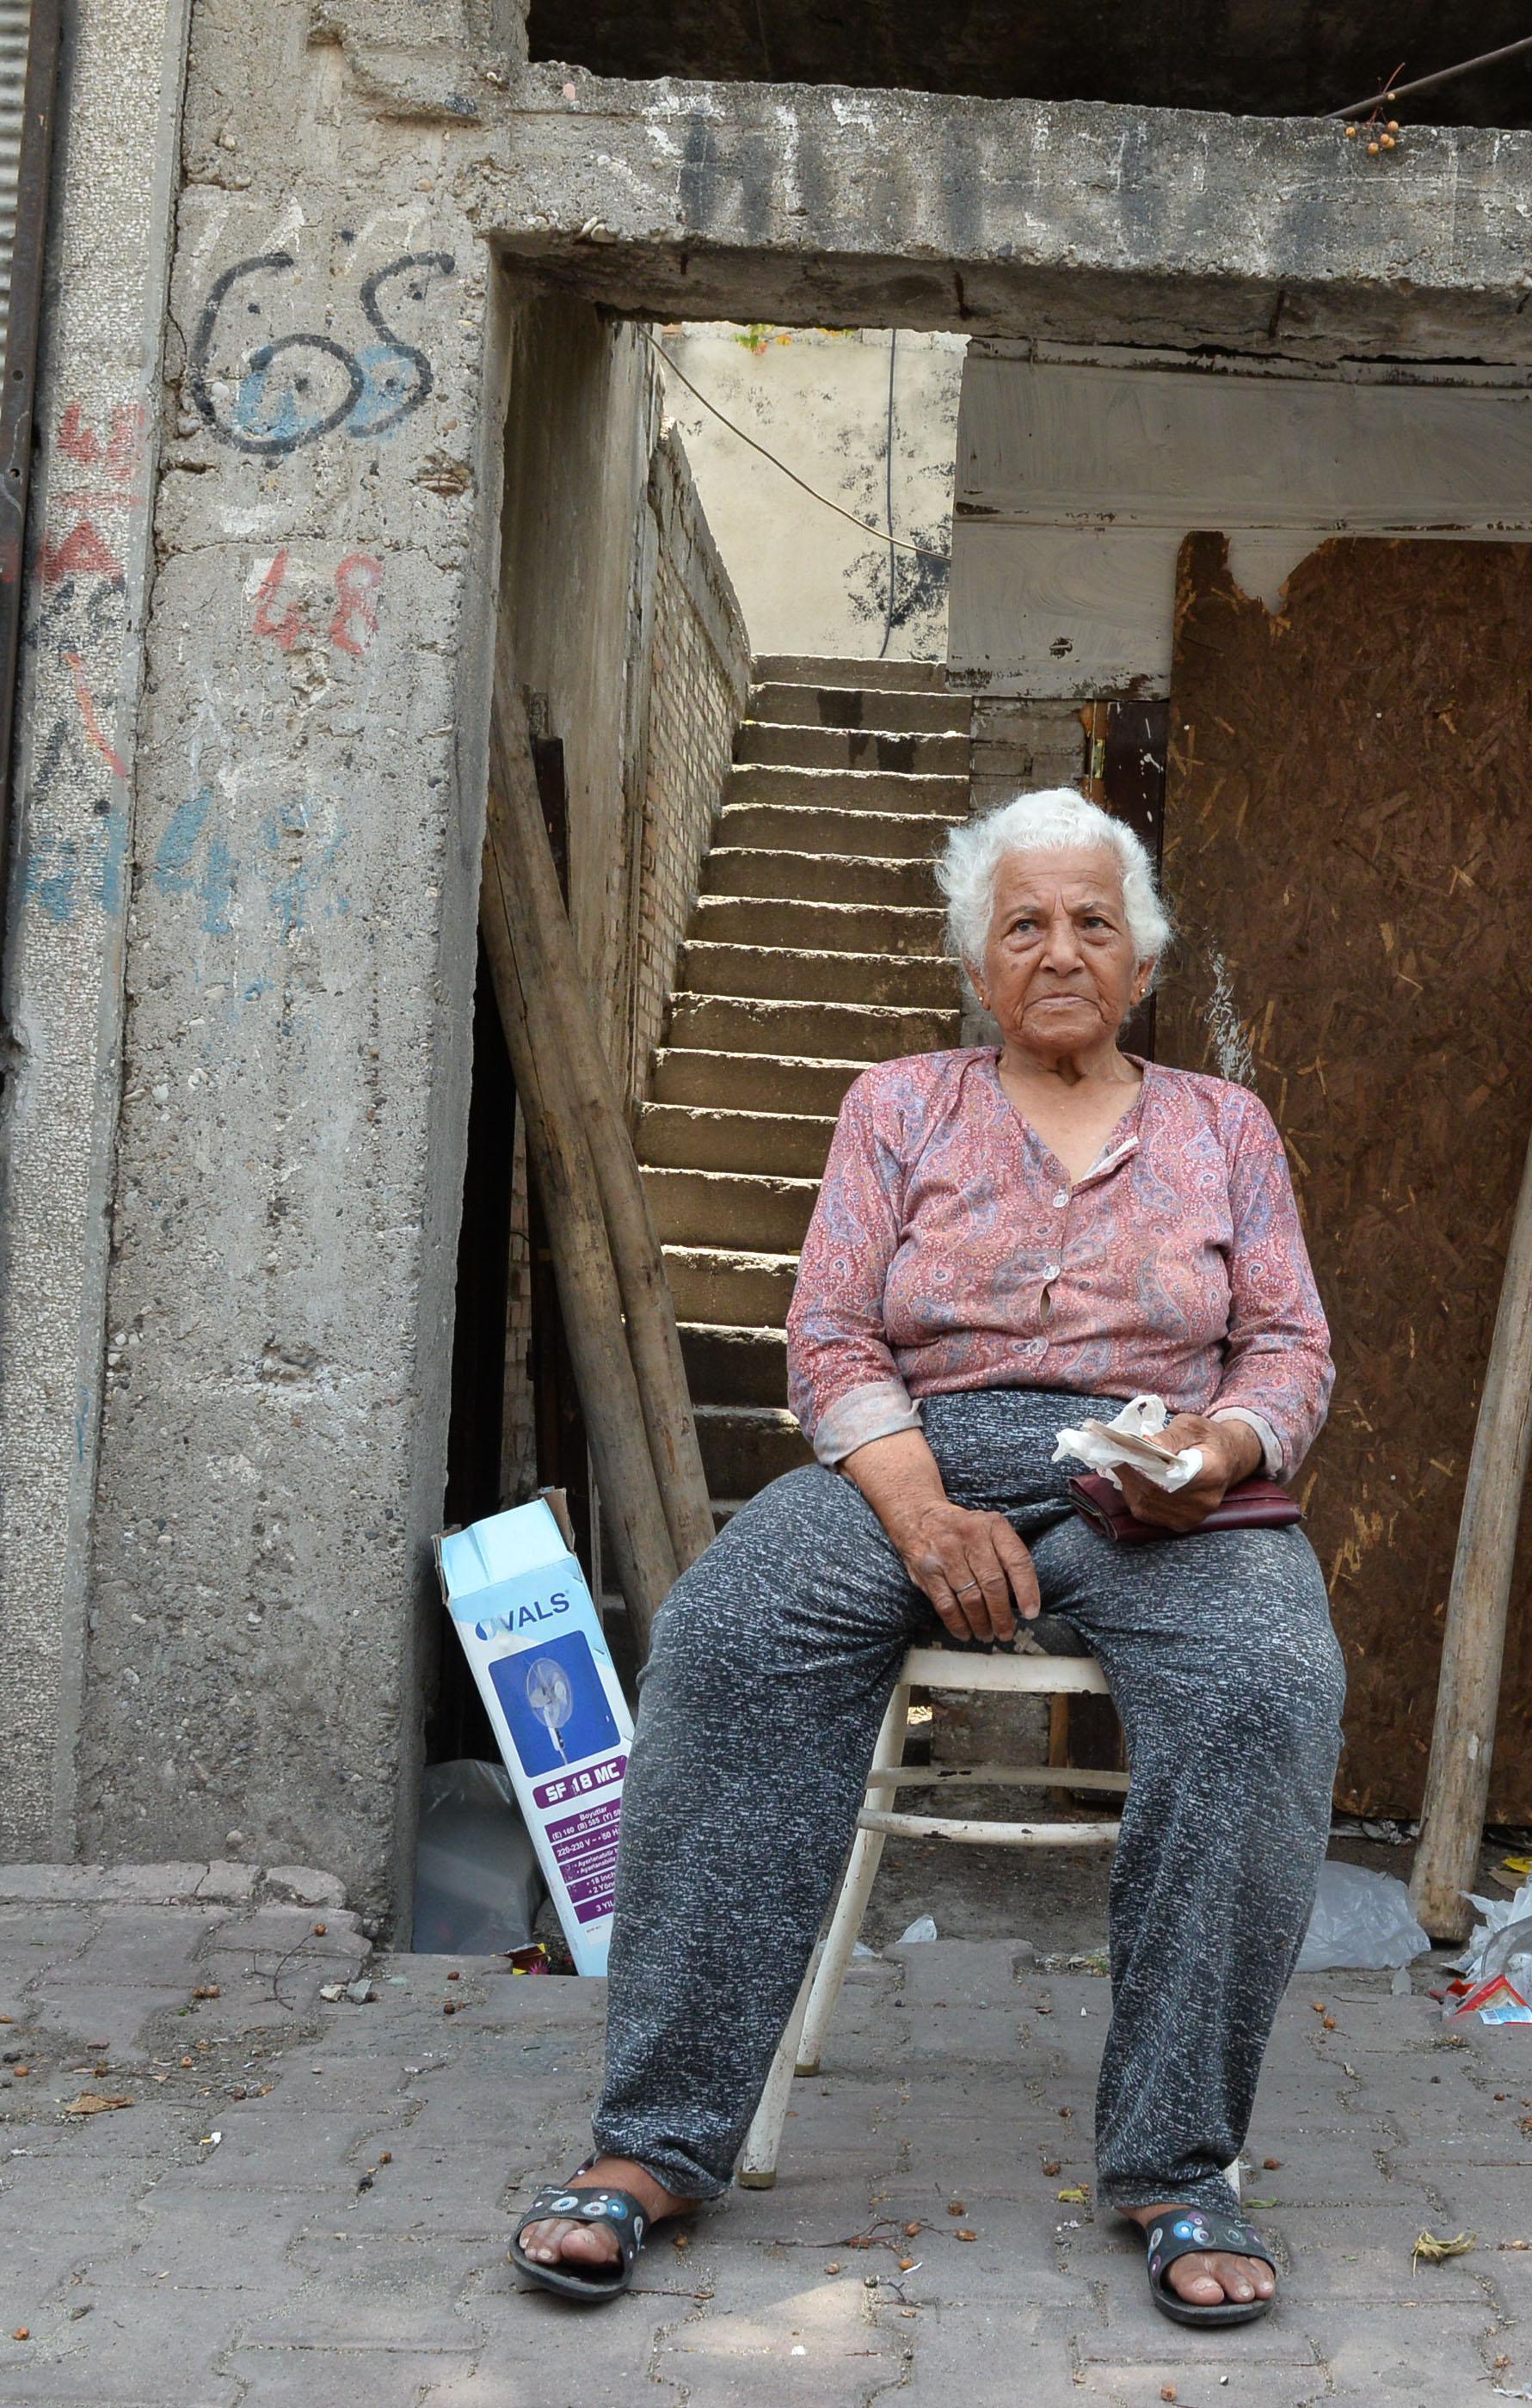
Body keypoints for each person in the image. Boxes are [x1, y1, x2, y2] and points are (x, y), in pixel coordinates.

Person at [510, 787, 1343, 2326]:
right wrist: (913, 1508)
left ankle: (1174, 2166)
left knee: (1267, 1682)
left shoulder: (1225, 1125)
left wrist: (1212, 1454)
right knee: (727, 1637)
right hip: (917, 1447)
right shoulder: (898, 1104)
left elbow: (1286, 1350)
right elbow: (828, 1334)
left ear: (1142, 955)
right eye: (1022, 923)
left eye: (1093, 920)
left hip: (1147, 1472)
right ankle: (652, 2145)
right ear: (976, 963)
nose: (1060, 949)